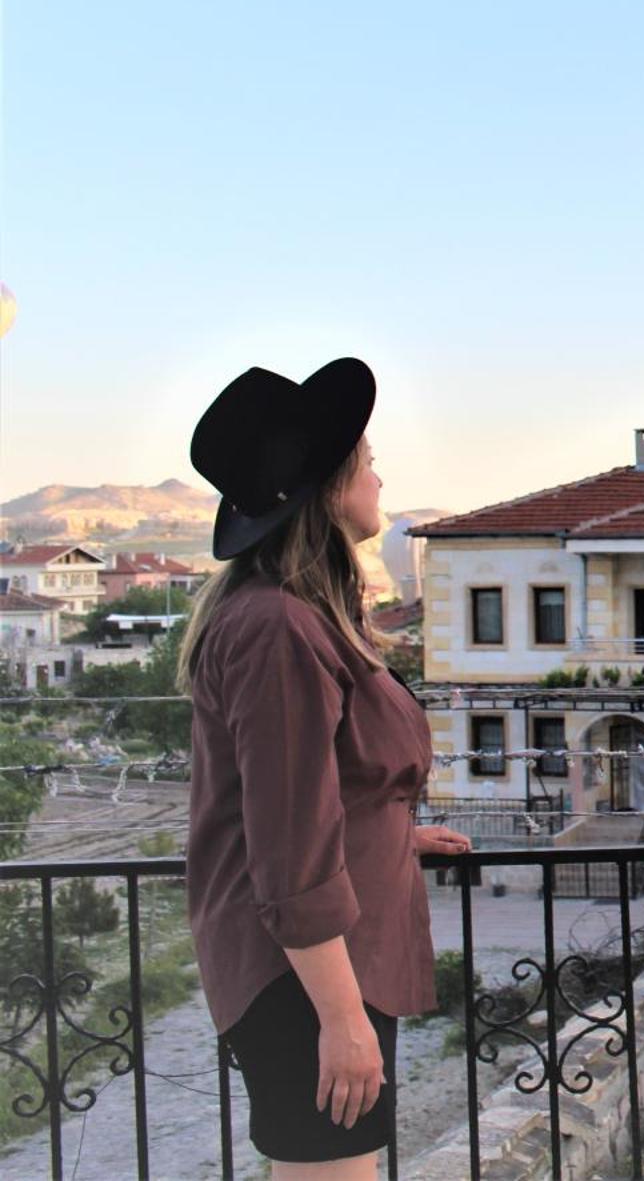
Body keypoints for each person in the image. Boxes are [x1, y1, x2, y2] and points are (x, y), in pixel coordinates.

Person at [178, 357, 471, 1177]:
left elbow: (308, 794)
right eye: (367, 460)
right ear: (330, 485)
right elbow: (286, 844)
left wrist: (391, 840)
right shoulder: (277, 629)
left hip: (319, 965)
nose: (379, 473)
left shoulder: (296, 616)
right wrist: (338, 1019)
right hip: (306, 979)